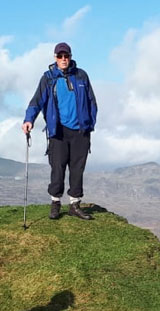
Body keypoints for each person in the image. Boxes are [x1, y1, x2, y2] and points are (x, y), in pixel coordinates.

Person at [22, 42, 97, 220]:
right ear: (55, 58)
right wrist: (28, 119)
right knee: (58, 168)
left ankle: (74, 204)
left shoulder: (81, 76)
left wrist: (89, 124)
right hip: (58, 131)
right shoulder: (48, 78)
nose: (63, 59)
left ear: (70, 57)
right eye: (60, 56)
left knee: (77, 168)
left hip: (80, 131)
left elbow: (92, 101)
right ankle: (55, 203)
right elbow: (36, 102)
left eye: (66, 56)